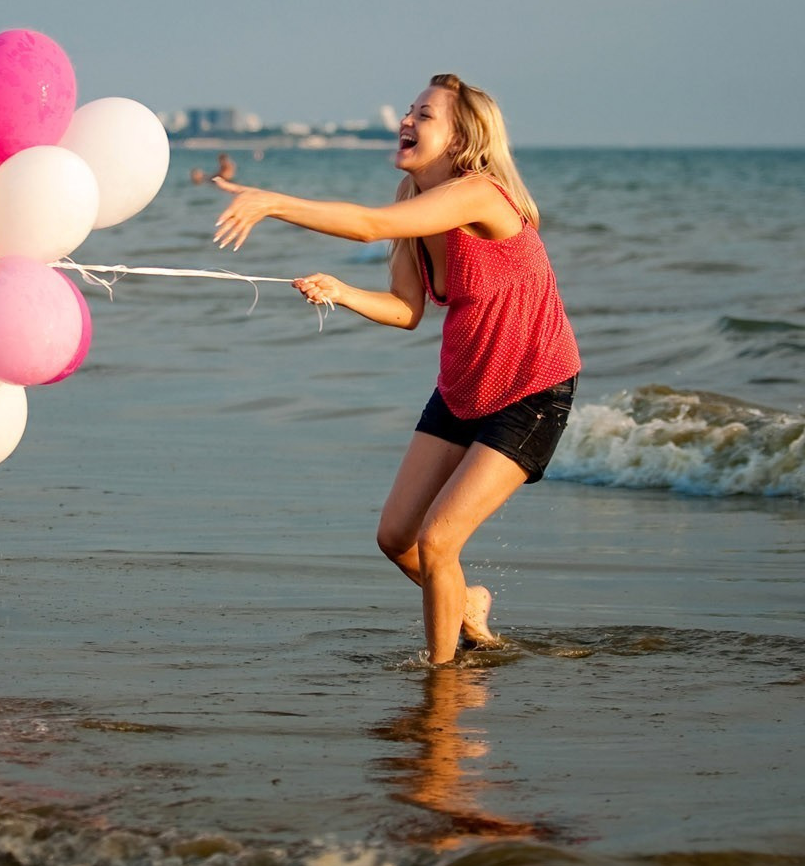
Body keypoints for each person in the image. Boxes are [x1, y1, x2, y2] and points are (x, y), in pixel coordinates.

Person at [212, 74, 580, 666]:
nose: (407, 120)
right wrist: (343, 290)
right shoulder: (414, 201)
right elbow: (408, 309)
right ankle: (467, 603)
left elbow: (367, 224)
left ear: (463, 141)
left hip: (531, 388)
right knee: (396, 537)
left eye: (425, 115)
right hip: (465, 385)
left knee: (438, 541)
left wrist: (272, 201)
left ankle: (441, 684)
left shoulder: (480, 194)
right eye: (409, 111)